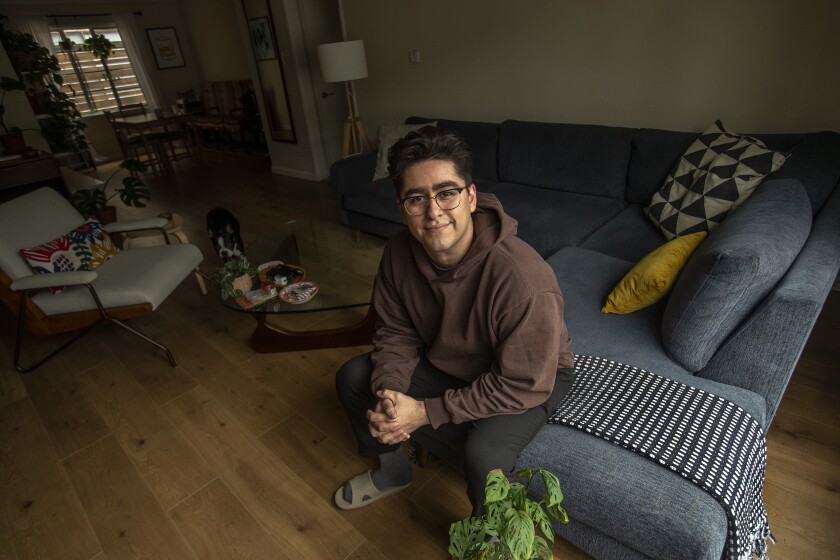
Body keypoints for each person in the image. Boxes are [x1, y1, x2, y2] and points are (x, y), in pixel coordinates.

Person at [334, 126, 574, 514]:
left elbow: (523, 382)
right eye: (417, 199)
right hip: (449, 358)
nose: (433, 212)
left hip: (526, 376)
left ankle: (487, 537)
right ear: (402, 208)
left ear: (471, 197)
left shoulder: (525, 280)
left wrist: (424, 413)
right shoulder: (397, 253)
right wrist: (391, 397)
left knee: (484, 455)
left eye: (447, 193)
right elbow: (396, 330)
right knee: (354, 376)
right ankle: (394, 471)